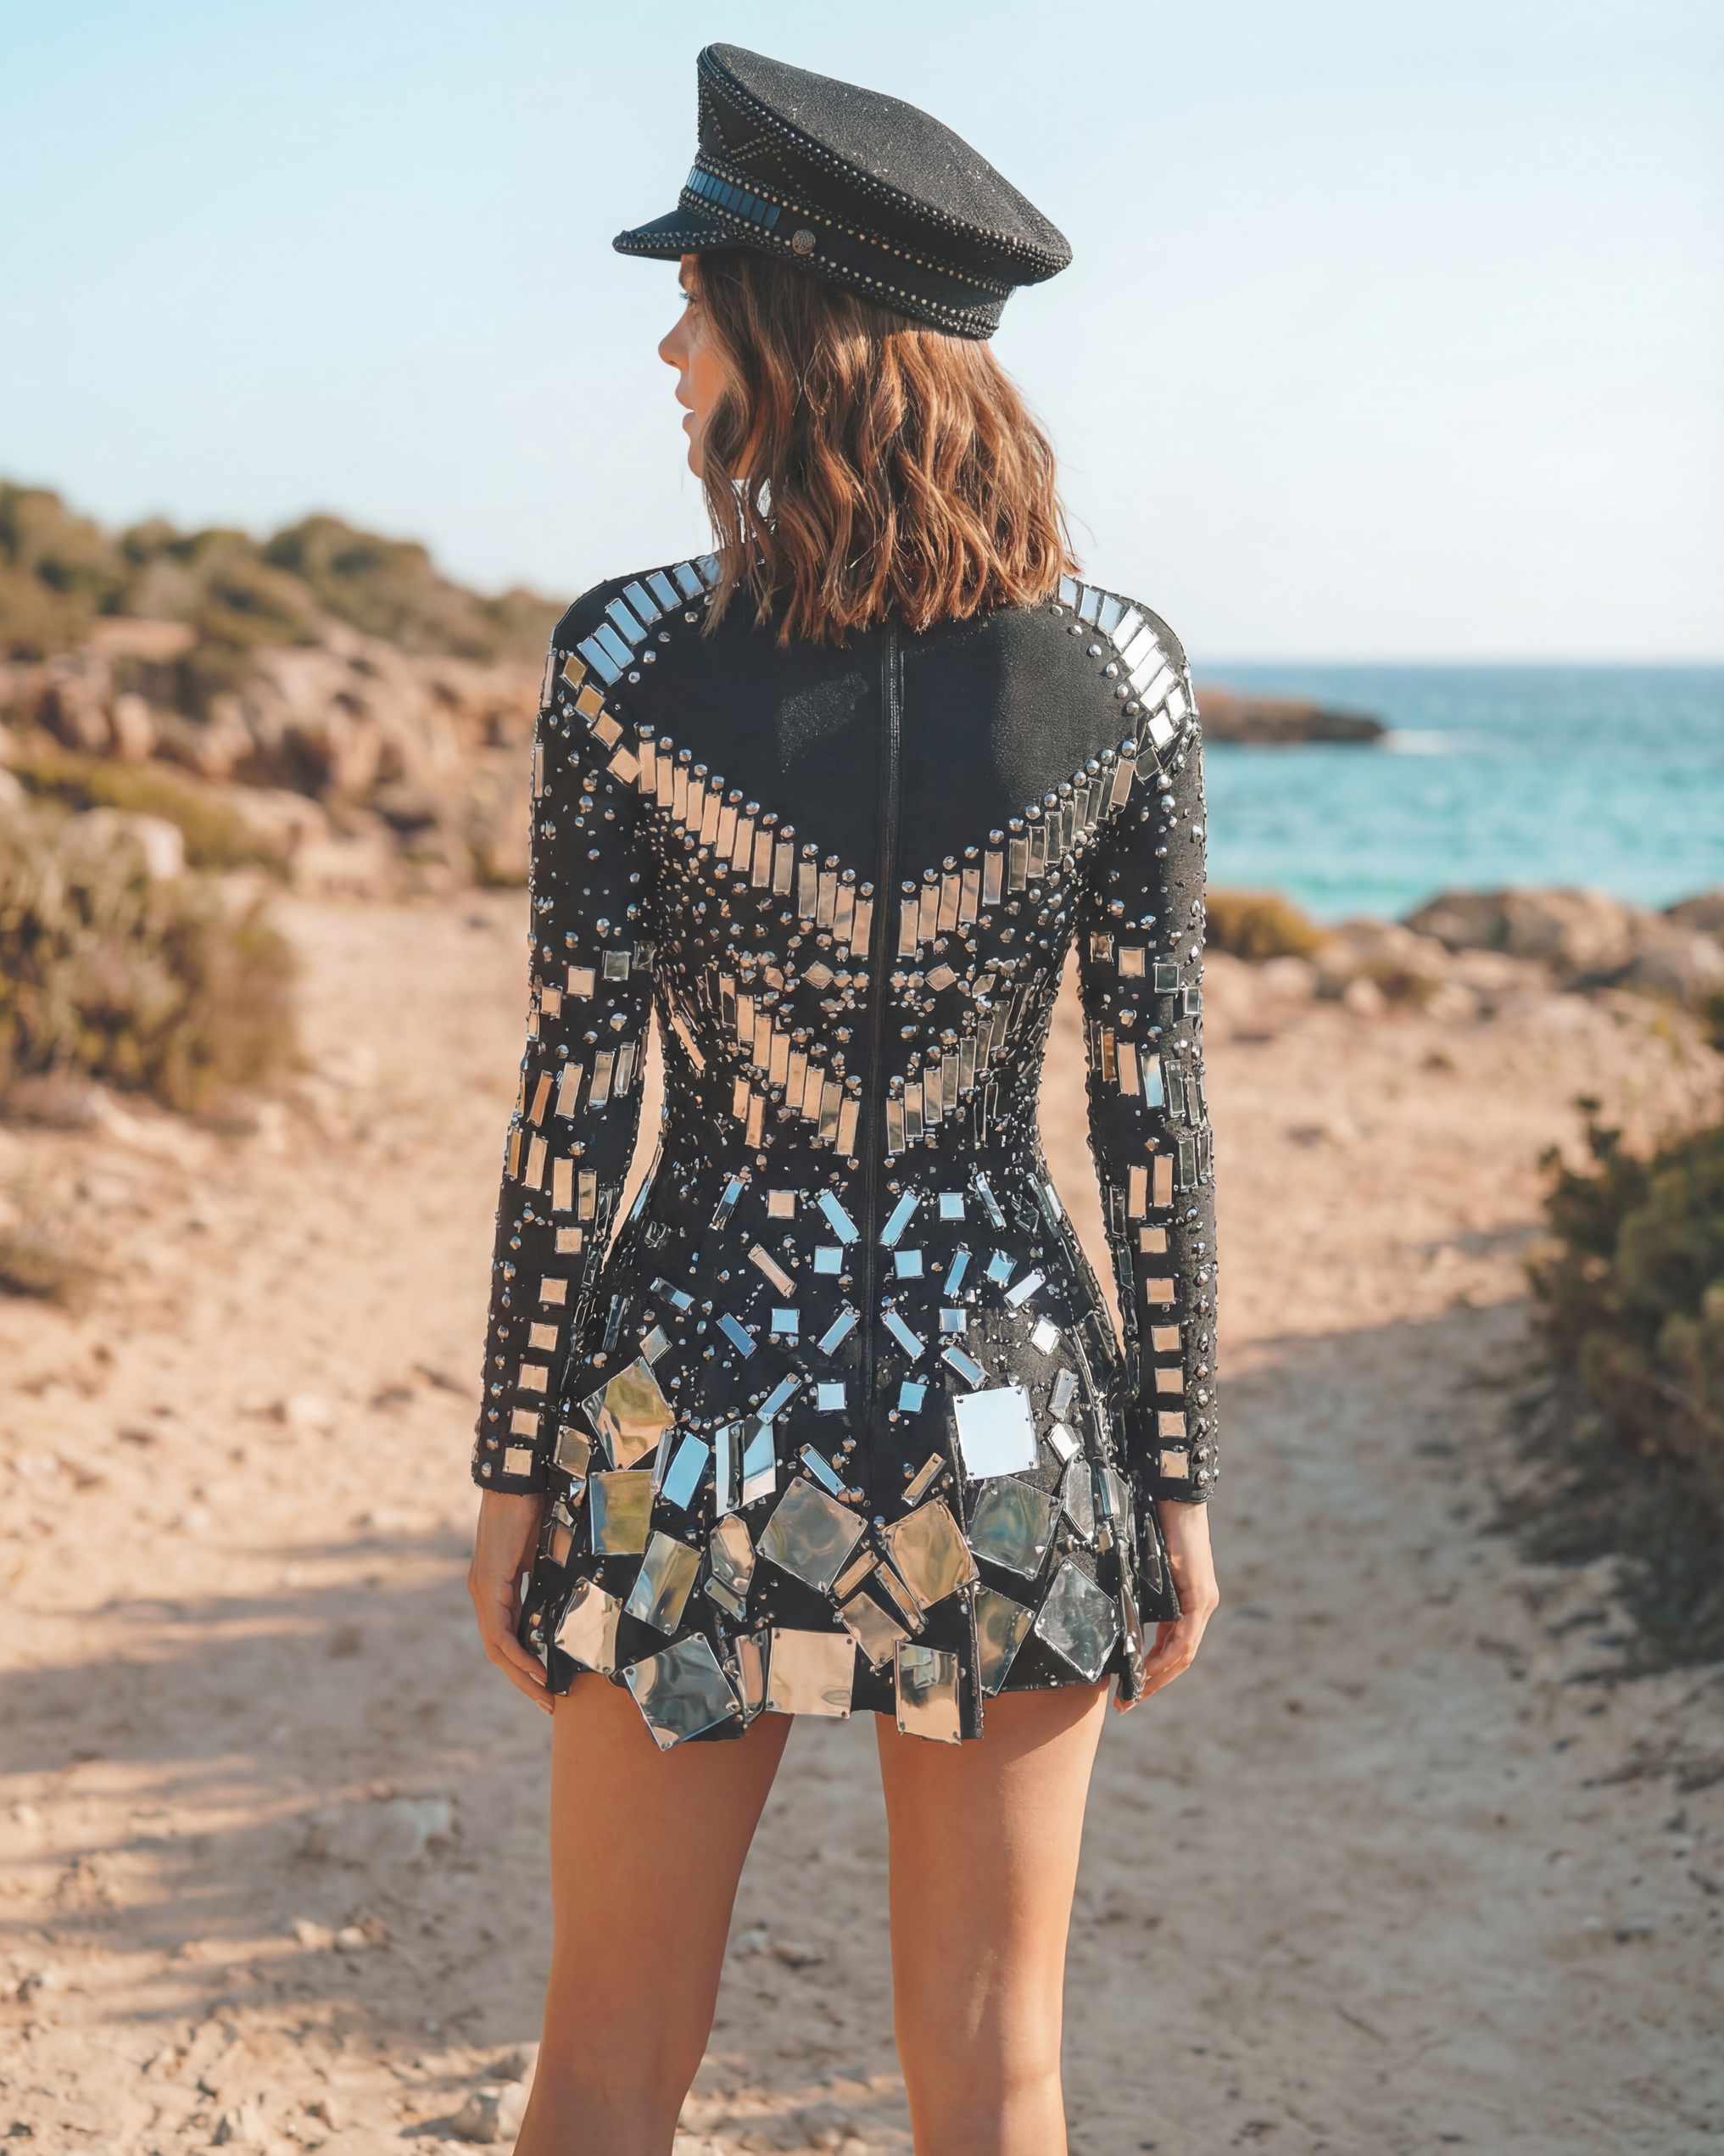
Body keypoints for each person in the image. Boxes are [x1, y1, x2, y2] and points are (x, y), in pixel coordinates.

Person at [466, 44, 1220, 2156]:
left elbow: (572, 1103)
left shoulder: (625, 662)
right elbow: (1148, 1116)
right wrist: (1172, 1478)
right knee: (995, 2071)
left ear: (792, 326)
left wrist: (515, 1463)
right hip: (1009, 1414)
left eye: (697, 289)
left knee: (606, 2056)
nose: (665, 332)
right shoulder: (1125, 675)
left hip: (687, 1397)